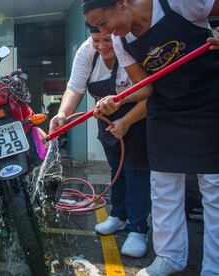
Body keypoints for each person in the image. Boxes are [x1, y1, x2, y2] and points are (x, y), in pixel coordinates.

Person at [83, 0, 219, 275]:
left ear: (121, 3)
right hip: (166, 109)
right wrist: (117, 100)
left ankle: (214, 266)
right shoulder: (122, 43)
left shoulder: (176, 2)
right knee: (163, 188)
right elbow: (146, 88)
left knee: (214, 188)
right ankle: (170, 256)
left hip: (209, 101)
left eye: (102, 23)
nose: (103, 32)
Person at [49, 25, 151, 257]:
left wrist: (126, 121)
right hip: (106, 119)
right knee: (117, 167)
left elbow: (149, 92)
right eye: (96, 40)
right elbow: (74, 89)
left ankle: (138, 229)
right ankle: (119, 216)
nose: (102, 46)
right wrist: (63, 114)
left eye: (107, 40)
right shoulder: (86, 53)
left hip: (137, 114)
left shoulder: (128, 47)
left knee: (137, 170)